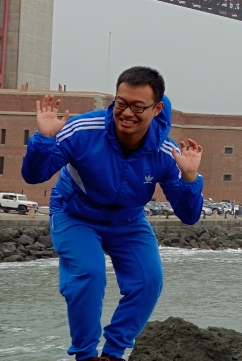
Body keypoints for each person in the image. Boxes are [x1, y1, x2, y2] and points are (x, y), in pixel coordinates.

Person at [22, 66, 204, 361]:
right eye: (120, 103)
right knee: (89, 273)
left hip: (128, 219)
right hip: (74, 211)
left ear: (156, 109)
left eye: (137, 106)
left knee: (149, 280)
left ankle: (113, 354)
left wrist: (190, 178)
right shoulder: (83, 130)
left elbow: (189, 215)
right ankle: (85, 355)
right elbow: (34, 175)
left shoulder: (166, 153)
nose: (126, 113)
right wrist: (43, 139)